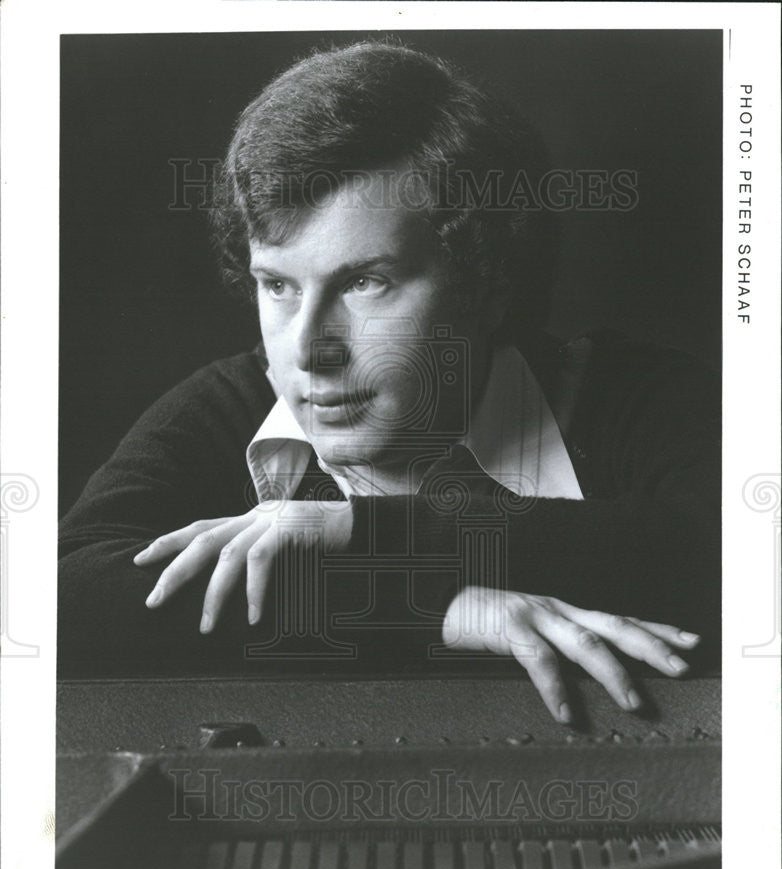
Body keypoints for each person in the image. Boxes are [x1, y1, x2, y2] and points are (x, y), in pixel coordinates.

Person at [58, 41, 720, 724]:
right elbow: (59, 595)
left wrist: (360, 534)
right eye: (278, 285)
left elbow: (726, 558)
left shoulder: (639, 398)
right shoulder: (225, 407)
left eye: (366, 283)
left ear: (486, 284)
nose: (310, 352)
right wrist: (431, 606)